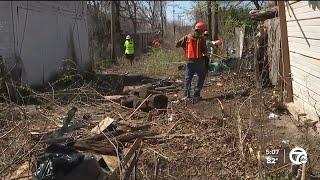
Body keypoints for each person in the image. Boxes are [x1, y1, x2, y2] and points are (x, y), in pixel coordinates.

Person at [175, 21, 207, 101]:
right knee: (201, 77)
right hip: (199, 62)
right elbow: (205, 51)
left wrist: (185, 47)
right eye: (203, 30)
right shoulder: (202, 39)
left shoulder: (187, 37)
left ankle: (186, 95)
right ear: (201, 30)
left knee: (188, 78)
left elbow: (177, 44)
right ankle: (196, 95)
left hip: (189, 61)